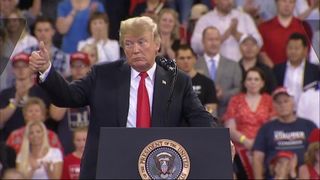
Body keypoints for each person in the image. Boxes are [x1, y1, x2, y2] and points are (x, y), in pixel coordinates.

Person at [29, 16, 216, 178]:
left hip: (158, 168)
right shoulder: (102, 75)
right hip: (110, 166)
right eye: (129, 43)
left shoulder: (177, 80)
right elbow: (67, 97)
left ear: (157, 44)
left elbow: (199, 117)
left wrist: (220, 143)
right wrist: (47, 70)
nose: (135, 49)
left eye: (142, 42)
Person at [252, 87, 317, 179]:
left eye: (286, 101)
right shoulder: (266, 128)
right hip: (276, 174)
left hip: (304, 174)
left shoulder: (308, 125)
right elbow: (257, 157)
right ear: (274, 105)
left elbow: (317, 150)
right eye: (279, 102)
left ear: (293, 103)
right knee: (283, 164)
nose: (282, 105)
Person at [223, 67, 275, 179]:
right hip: (239, 148)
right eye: (249, 79)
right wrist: (245, 141)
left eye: (256, 79)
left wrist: (258, 143)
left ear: (262, 83)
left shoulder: (269, 100)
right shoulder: (235, 100)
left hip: (264, 147)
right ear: (244, 82)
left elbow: (273, 127)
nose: (253, 82)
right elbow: (230, 128)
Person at [0, 53, 50, 141]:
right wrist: (15, 102)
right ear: (12, 70)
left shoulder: (41, 92)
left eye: (25, 66)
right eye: (17, 67)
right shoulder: (5, 93)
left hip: (37, 139)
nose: (21, 70)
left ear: (31, 68)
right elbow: (1, 119)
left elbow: (49, 117)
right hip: (11, 141)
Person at [191, 0, 262, 61]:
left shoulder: (244, 17)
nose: (229, 2)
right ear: (215, 0)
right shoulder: (205, 20)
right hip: (214, 68)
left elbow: (259, 42)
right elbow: (196, 47)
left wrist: (236, 34)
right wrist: (221, 38)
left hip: (242, 67)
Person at [195, 26, 242, 117]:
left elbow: (239, 89)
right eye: (210, 39)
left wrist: (223, 94)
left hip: (227, 115)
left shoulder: (233, 65)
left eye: (216, 39)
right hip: (200, 117)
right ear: (203, 42)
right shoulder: (194, 66)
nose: (214, 43)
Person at [50, 52, 91, 154]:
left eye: (81, 65)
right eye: (74, 66)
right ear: (70, 69)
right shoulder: (62, 86)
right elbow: (55, 116)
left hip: (91, 145)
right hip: (68, 147)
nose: (78, 69)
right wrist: (68, 91)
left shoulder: (96, 86)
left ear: (89, 68)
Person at [258, 0, 312, 67]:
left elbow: (307, 52)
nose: (287, 5)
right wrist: (275, 70)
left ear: (295, 4)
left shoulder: (304, 27)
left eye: (291, 2)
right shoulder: (263, 28)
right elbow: (261, 53)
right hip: (271, 74)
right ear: (276, 2)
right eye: (284, 1)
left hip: (297, 74)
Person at [273, 33, 320, 104]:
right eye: (290, 48)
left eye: (297, 48)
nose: (293, 51)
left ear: (305, 50)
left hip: (307, 111)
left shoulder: (315, 70)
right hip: (284, 110)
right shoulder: (277, 69)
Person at [175, 44, 218, 115]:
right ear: (175, 60)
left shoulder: (207, 83)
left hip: (200, 123)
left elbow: (212, 107)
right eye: (182, 58)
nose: (186, 61)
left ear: (195, 59)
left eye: (189, 58)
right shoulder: (170, 82)